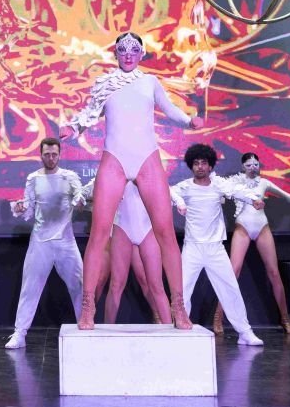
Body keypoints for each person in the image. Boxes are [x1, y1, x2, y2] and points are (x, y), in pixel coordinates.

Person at [61, 31, 204, 330]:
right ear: (115, 53)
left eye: (134, 49)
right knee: (99, 234)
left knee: (166, 233)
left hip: (146, 158)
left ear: (141, 54)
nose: (128, 54)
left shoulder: (149, 82)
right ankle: (87, 308)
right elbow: (88, 115)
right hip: (114, 159)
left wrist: (189, 121)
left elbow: (170, 109)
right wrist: (72, 130)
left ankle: (179, 307)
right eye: (122, 50)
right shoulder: (106, 84)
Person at [169, 144, 265, 346]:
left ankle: (245, 332)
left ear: (210, 166)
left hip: (215, 248)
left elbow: (237, 190)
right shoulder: (185, 187)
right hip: (192, 248)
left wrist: (254, 199)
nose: (200, 167)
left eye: (204, 163)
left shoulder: (218, 184)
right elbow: (168, 191)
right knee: (182, 290)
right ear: (191, 166)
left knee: (230, 290)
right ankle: (180, 328)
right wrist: (180, 202)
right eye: (196, 163)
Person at [5, 139, 87, 349]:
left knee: (80, 284)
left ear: (59, 155)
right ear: (41, 155)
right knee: (30, 287)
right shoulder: (33, 179)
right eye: (47, 154)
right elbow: (29, 206)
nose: (51, 158)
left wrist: (79, 201)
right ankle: (20, 333)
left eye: (54, 154)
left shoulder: (69, 177)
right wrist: (21, 208)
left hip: (65, 241)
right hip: (40, 241)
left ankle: (85, 326)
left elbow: (80, 198)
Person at [212, 152, 290, 336]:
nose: (253, 168)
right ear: (243, 167)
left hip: (262, 227)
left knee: (274, 272)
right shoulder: (235, 183)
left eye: (255, 164)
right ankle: (218, 316)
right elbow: (220, 191)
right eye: (249, 165)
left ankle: (285, 318)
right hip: (243, 227)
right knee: (233, 272)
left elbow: (285, 195)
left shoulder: (264, 183)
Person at [82, 179, 171, 325]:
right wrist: (90, 200)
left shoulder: (145, 174)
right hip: (115, 232)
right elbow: (85, 193)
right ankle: (98, 323)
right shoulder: (110, 175)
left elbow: (166, 193)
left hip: (140, 230)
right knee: (109, 284)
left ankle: (164, 324)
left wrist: (177, 203)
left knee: (151, 282)